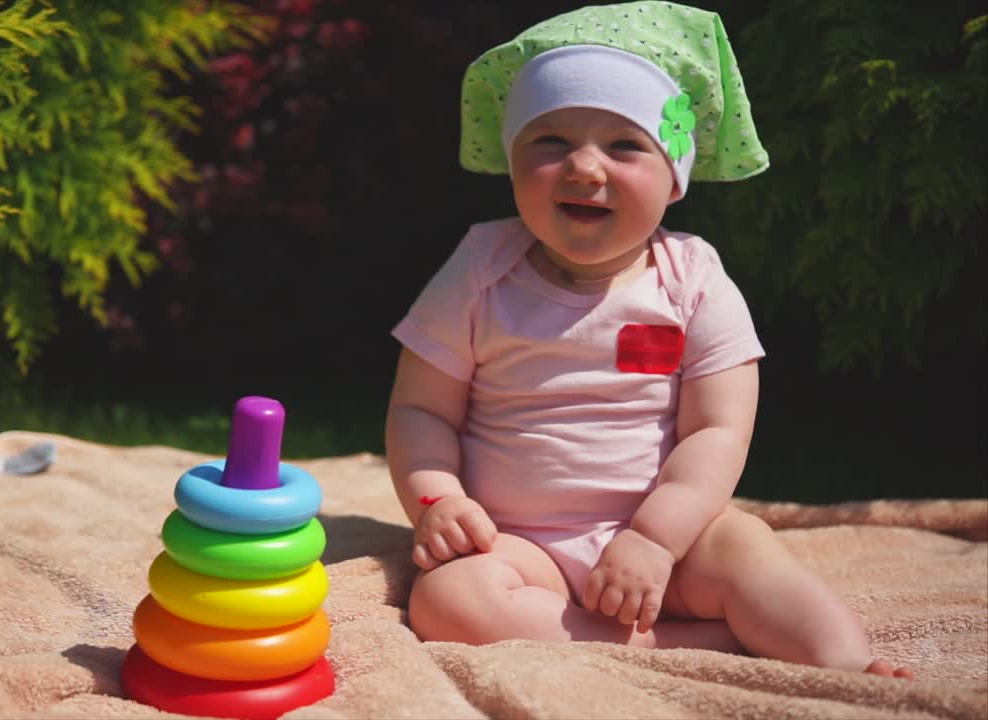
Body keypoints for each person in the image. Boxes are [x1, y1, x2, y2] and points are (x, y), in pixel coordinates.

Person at [385, 1, 911, 678]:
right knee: (448, 601)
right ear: (513, 159)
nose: (583, 167)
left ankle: (842, 663)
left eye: (625, 144)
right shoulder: (481, 269)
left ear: (675, 178)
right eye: (549, 141)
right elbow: (421, 409)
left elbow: (716, 433)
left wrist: (655, 540)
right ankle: (699, 647)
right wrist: (439, 501)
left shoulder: (691, 281)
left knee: (746, 550)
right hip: (518, 546)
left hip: (669, 541)